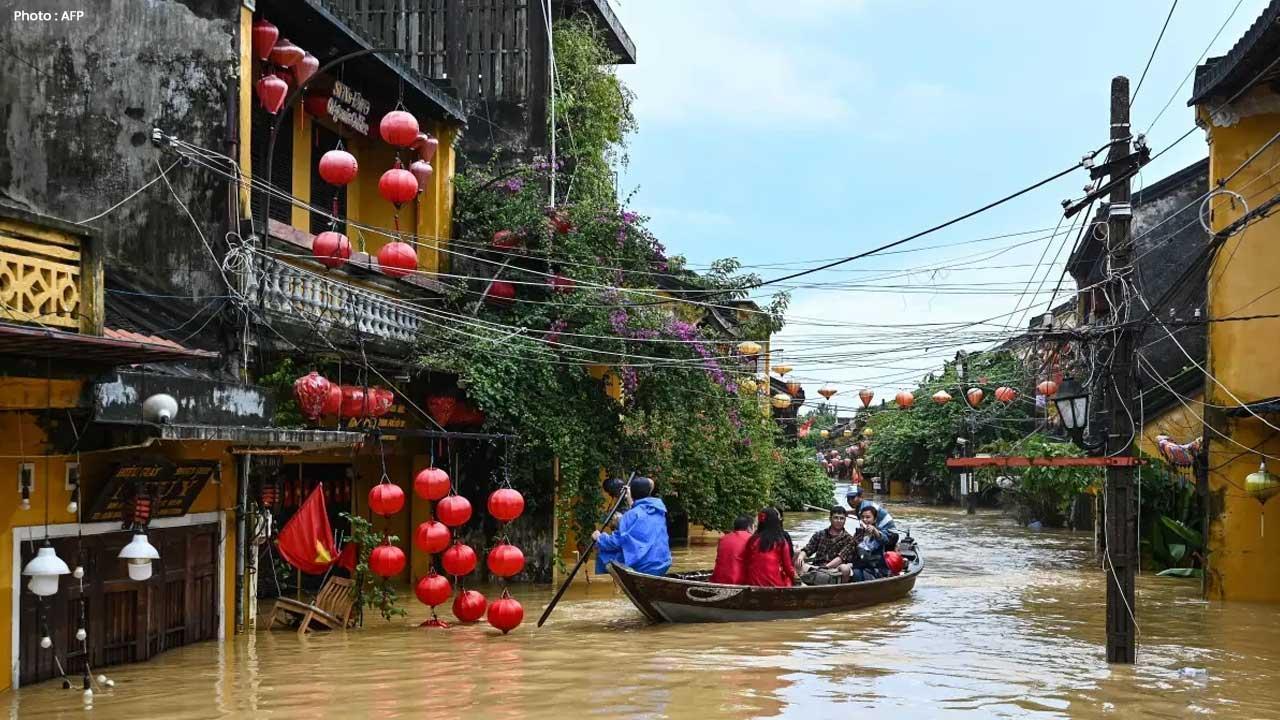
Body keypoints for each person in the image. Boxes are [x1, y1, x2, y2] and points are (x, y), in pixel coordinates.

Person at [593, 476, 671, 575]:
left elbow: (617, 541)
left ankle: (608, 585)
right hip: (664, 562)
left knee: (603, 554)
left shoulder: (631, 515)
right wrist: (632, 502)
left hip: (643, 565)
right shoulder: (659, 510)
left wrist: (600, 538)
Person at [794, 506, 855, 583]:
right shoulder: (820, 534)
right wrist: (801, 556)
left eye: (841, 518)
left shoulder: (849, 539)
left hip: (834, 570)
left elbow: (841, 558)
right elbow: (808, 549)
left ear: (845, 520)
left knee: (844, 569)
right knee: (796, 557)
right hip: (816, 566)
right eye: (836, 518)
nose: (839, 521)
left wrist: (823, 568)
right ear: (830, 519)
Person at [743, 507, 798, 587]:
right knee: (787, 579)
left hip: (753, 584)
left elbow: (747, 562)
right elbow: (788, 568)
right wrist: (797, 580)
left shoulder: (752, 540)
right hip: (774, 585)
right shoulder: (781, 541)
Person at [838, 503, 889, 582]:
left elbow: (884, 540)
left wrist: (875, 531)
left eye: (868, 517)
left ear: (875, 519)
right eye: (862, 517)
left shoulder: (880, 532)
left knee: (854, 573)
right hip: (858, 566)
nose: (865, 520)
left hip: (875, 571)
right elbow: (850, 550)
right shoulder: (859, 533)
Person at [709, 515, 755, 584]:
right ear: (749, 527)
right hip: (737, 581)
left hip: (717, 579)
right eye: (754, 527)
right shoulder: (751, 539)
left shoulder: (723, 539)